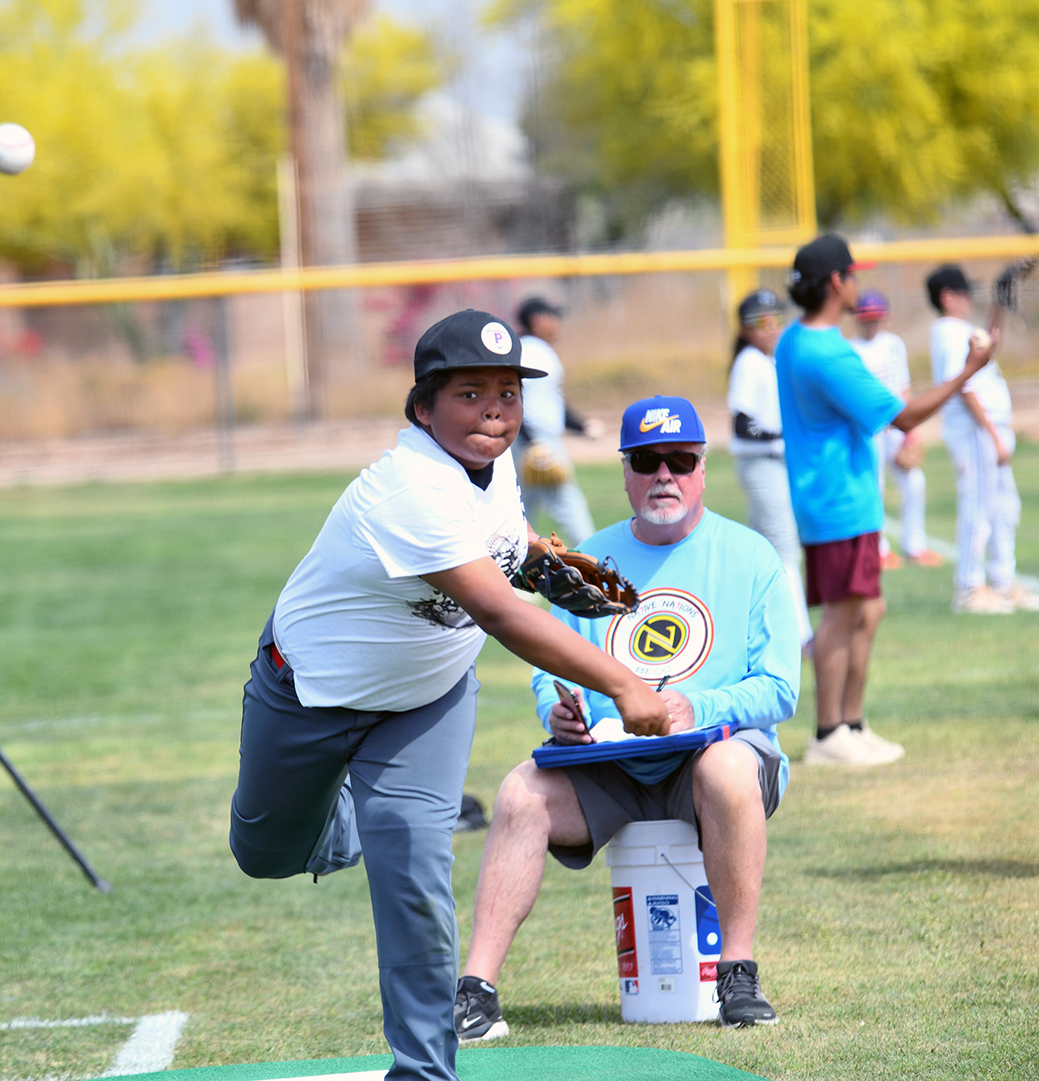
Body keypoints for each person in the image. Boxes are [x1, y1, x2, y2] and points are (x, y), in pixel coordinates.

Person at [228, 309, 668, 1081]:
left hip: (425, 698)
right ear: (423, 406)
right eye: (470, 393)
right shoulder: (408, 489)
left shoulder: (491, 466)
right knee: (264, 853)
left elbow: (504, 549)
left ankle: (426, 1071)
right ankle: (347, 817)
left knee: (415, 876)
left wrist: (537, 559)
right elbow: (498, 612)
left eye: (508, 392)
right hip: (309, 692)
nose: (495, 410)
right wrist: (624, 683)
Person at [453, 394, 799, 1036]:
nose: (663, 475)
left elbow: (781, 689)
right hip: (610, 758)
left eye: (679, 459)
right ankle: (476, 991)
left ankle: (738, 975)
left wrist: (699, 705)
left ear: (701, 467)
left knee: (725, 764)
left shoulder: (751, 556)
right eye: (646, 460)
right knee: (521, 792)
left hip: (713, 754)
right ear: (624, 470)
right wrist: (560, 713)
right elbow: (550, 668)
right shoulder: (589, 556)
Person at [777, 235, 996, 767]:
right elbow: (903, 416)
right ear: (836, 283)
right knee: (841, 618)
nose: (857, 282)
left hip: (845, 500)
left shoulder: (794, 339)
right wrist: (968, 372)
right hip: (838, 503)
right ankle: (828, 733)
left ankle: (852, 725)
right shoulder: (824, 350)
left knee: (868, 611)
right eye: (851, 274)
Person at [926, 265, 1039, 614]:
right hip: (975, 429)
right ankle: (969, 588)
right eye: (963, 292)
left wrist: (999, 305)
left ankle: (1003, 582)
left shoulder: (961, 329)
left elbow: (989, 346)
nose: (968, 297)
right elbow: (962, 383)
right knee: (978, 508)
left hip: (988, 428)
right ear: (947, 296)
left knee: (1005, 508)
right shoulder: (947, 330)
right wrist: (992, 433)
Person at [726, 288, 813, 650]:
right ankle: (802, 636)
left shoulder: (767, 360)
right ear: (745, 329)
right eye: (761, 321)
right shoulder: (749, 361)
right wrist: (781, 433)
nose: (771, 327)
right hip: (761, 462)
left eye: (776, 318)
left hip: (771, 463)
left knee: (762, 547)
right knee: (785, 547)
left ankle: (745, 625)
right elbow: (741, 423)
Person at [849, 290, 943, 570]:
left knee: (915, 482)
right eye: (867, 318)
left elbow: (902, 386)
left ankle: (915, 545)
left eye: (877, 318)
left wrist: (910, 430)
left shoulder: (893, 344)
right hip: (870, 428)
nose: (872, 324)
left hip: (896, 423)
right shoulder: (851, 348)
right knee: (873, 485)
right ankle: (879, 548)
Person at [511, 296, 601, 547]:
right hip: (535, 440)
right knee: (568, 501)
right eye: (553, 317)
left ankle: (506, 561)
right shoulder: (531, 351)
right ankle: (596, 559)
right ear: (538, 320)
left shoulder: (536, 350)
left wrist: (580, 426)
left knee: (522, 505)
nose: (558, 323)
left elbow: (552, 402)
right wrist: (532, 442)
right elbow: (515, 399)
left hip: (530, 439)